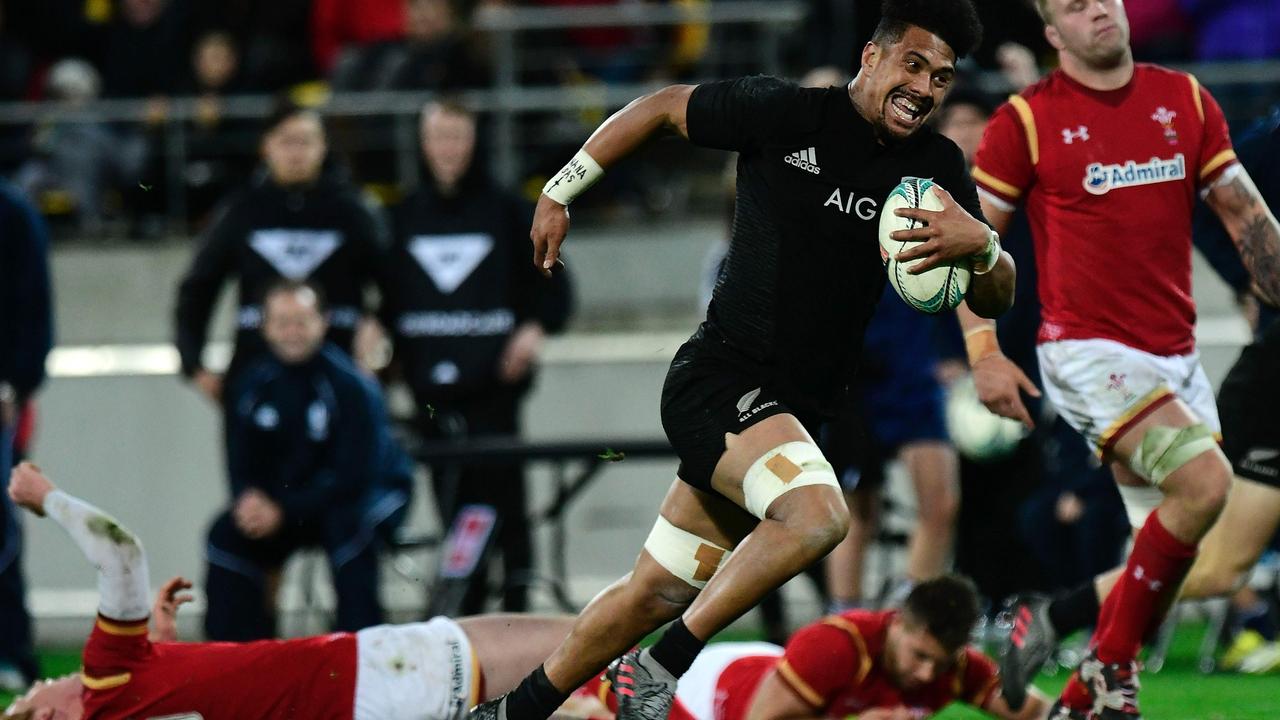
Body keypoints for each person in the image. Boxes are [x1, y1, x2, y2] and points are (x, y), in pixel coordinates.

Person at [472, 3, 1019, 720]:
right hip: (721, 380)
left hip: (796, 414)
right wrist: (562, 186)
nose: (925, 87)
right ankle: (663, 664)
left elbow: (995, 290)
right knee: (819, 518)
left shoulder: (936, 170)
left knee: (656, 590)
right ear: (871, 56)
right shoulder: (786, 113)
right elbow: (663, 107)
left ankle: (514, 712)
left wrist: (982, 245)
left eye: (942, 77)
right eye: (914, 64)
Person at [961, 0, 1280, 716]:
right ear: (1052, 34)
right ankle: (1108, 663)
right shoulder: (1027, 120)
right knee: (1204, 486)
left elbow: (1245, 217)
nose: (1097, 10)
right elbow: (972, 250)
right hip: (1085, 350)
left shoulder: (1184, 99)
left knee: (1174, 563)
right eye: (1074, 5)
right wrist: (983, 351)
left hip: (1175, 357)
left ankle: (1079, 690)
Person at [3, 461, 572, 720]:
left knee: (576, 683)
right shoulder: (106, 687)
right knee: (585, 647)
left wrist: (163, 650)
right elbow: (120, 552)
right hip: (369, 677)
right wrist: (47, 498)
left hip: (361, 698)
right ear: (54, 717)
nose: (51, 679)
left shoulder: (125, 695)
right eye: (40, 691)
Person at [381, 100, 572, 614]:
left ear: (475, 140)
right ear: (423, 142)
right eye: (439, 137)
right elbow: (380, 297)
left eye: (458, 137)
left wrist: (533, 331)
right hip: (429, 402)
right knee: (456, 521)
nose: (448, 149)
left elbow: (556, 286)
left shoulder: (509, 210)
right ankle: (463, 628)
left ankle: (518, 615)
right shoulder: (400, 217)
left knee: (507, 515)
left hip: (496, 397)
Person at [203, 280, 412, 640]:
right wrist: (250, 501)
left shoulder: (350, 386)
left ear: (322, 322)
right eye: (282, 322)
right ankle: (237, 658)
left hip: (361, 498)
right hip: (293, 507)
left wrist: (283, 509)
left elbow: (354, 478)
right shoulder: (252, 385)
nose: (292, 332)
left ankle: (362, 654)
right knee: (226, 534)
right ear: (266, 326)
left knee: (349, 529)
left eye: (301, 321)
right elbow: (240, 462)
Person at [567, 576, 1049, 720]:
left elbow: (1025, 709)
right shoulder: (837, 645)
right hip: (705, 695)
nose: (926, 674)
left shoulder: (952, 667)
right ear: (898, 625)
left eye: (939, 663)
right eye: (919, 656)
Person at [174, 99, 388, 404]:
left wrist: (382, 343)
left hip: (341, 380)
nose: (296, 152)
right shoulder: (241, 210)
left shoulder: (353, 211)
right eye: (286, 142)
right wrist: (193, 364)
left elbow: (396, 284)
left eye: (305, 142)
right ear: (267, 146)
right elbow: (198, 287)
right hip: (257, 379)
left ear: (323, 147)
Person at [0, 180, 53, 691]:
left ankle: (12, 649)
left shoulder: (13, 214)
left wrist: (13, 383)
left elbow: (35, 312)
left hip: (2, 403)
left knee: (1, 526)